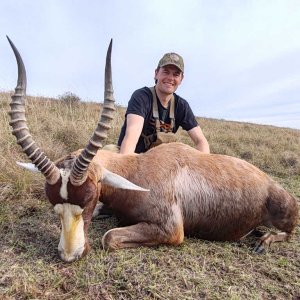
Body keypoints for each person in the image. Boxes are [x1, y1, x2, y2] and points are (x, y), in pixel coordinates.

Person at [117, 52, 210, 154]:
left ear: (181, 79)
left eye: (176, 74)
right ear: (156, 73)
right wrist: (126, 164)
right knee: (109, 150)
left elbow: (201, 141)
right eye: (166, 72)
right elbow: (131, 135)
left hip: (160, 164)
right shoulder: (141, 97)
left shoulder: (181, 106)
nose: (170, 78)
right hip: (133, 157)